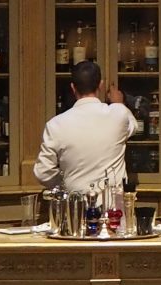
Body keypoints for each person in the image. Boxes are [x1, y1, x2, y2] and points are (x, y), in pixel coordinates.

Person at [33, 59, 135, 197]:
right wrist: (119, 103)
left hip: (76, 205)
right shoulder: (119, 114)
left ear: (73, 87)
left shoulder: (55, 125)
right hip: (113, 207)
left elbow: (43, 172)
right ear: (100, 85)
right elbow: (133, 126)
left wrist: (65, 184)